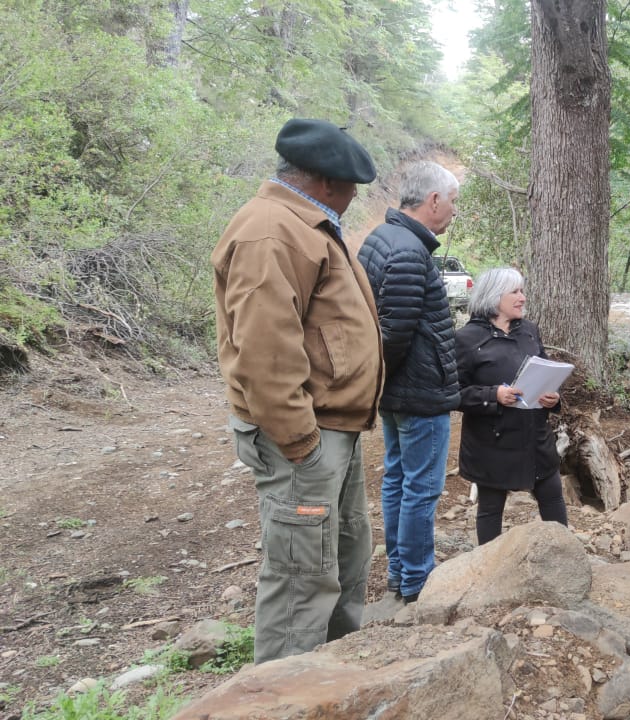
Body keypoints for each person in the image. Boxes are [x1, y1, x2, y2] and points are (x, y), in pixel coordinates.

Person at [212, 118, 381, 663]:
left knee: (344, 560)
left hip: (335, 430)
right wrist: (301, 441)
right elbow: (264, 350)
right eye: (353, 186)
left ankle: (331, 680)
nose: (356, 196)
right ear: (327, 182)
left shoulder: (305, 225)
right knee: (301, 577)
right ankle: (285, 694)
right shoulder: (271, 230)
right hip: (306, 438)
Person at [357, 161, 461, 604]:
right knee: (420, 487)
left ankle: (401, 573)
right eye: (453, 202)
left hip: (397, 391)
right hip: (417, 393)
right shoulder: (408, 251)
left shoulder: (382, 239)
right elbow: (392, 335)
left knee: (398, 479)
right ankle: (418, 580)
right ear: (433, 200)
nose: (454, 212)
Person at [455, 268, 568, 544]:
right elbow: (453, 393)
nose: (522, 298)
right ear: (495, 298)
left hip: (535, 437)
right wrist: (493, 395)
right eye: (515, 292)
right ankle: (491, 572)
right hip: (492, 442)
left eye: (522, 291)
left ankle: (567, 561)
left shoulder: (529, 331)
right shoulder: (466, 339)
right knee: (491, 509)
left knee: (553, 497)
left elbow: (544, 370)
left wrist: (553, 397)